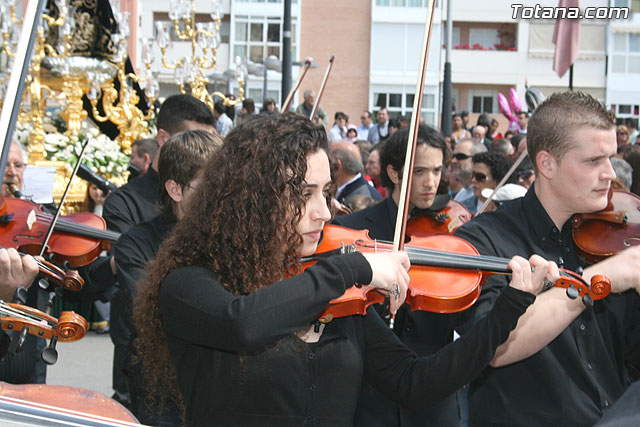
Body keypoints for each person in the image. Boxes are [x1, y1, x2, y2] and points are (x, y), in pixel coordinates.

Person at [134, 112, 551, 426]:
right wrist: (351, 268)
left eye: (326, 192)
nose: (324, 211)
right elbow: (241, 324)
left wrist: (508, 310)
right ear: (252, 198)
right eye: (304, 193)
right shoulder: (189, 282)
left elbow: (415, 381)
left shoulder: (336, 296)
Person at [454, 91, 640, 426]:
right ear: (546, 164)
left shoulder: (620, 236)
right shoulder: (483, 240)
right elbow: (495, 349)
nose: (610, 174)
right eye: (593, 161)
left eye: (611, 158)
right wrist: (599, 280)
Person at [334, 123, 472, 426]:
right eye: (419, 172)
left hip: (434, 399)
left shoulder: (452, 234)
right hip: (370, 397)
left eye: (437, 171)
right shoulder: (352, 230)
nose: (431, 183)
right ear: (394, 174)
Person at [102, 93, 215, 407]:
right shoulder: (135, 235)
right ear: (175, 190)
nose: (219, 198)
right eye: (208, 187)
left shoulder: (228, 232)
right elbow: (152, 311)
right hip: (157, 385)